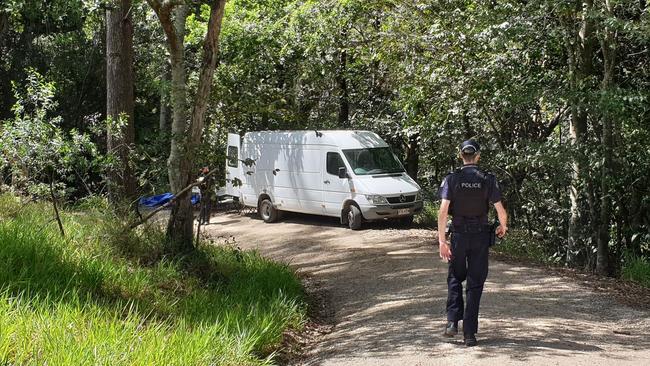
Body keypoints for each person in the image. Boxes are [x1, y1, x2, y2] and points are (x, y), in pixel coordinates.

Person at [437, 139, 508, 347]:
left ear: (461, 155)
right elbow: (500, 209)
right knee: (475, 285)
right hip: (480, 238)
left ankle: (452, 322)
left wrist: (442, 241)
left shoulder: (452, 179)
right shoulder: (487, 179)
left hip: (458, 236)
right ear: (477, 156)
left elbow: (442, 211)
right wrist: (503, 226)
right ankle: (469, 334)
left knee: (455, 277)